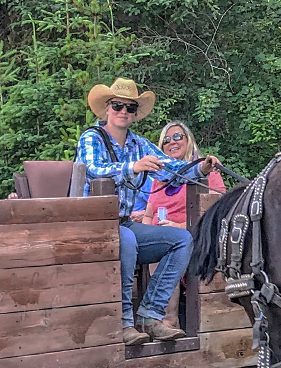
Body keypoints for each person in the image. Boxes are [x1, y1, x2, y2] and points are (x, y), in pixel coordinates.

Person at [77, 78, 220, 346]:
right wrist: (133, 167)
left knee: (181, 240)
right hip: (93, 225)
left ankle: (151, 316)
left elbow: (171, 169)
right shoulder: (91, 138)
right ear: (107, 109)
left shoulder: (140, 144)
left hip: (124, 225)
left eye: (129, 108)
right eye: (117, 105)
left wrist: (201, 168)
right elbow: (93, 169)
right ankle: (123, 323)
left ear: (134, 114)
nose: (123, 111)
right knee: (127, 240)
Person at [141, 121, 226, 229]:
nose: (172, 142)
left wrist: (179, 226)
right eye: (166, 140)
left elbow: (217, 213)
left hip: (192, 238)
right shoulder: (159, 178)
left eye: (177, 137)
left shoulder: (207, 169)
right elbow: (148, 215)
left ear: (188, 141)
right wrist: (146, 232)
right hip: (157, 238)